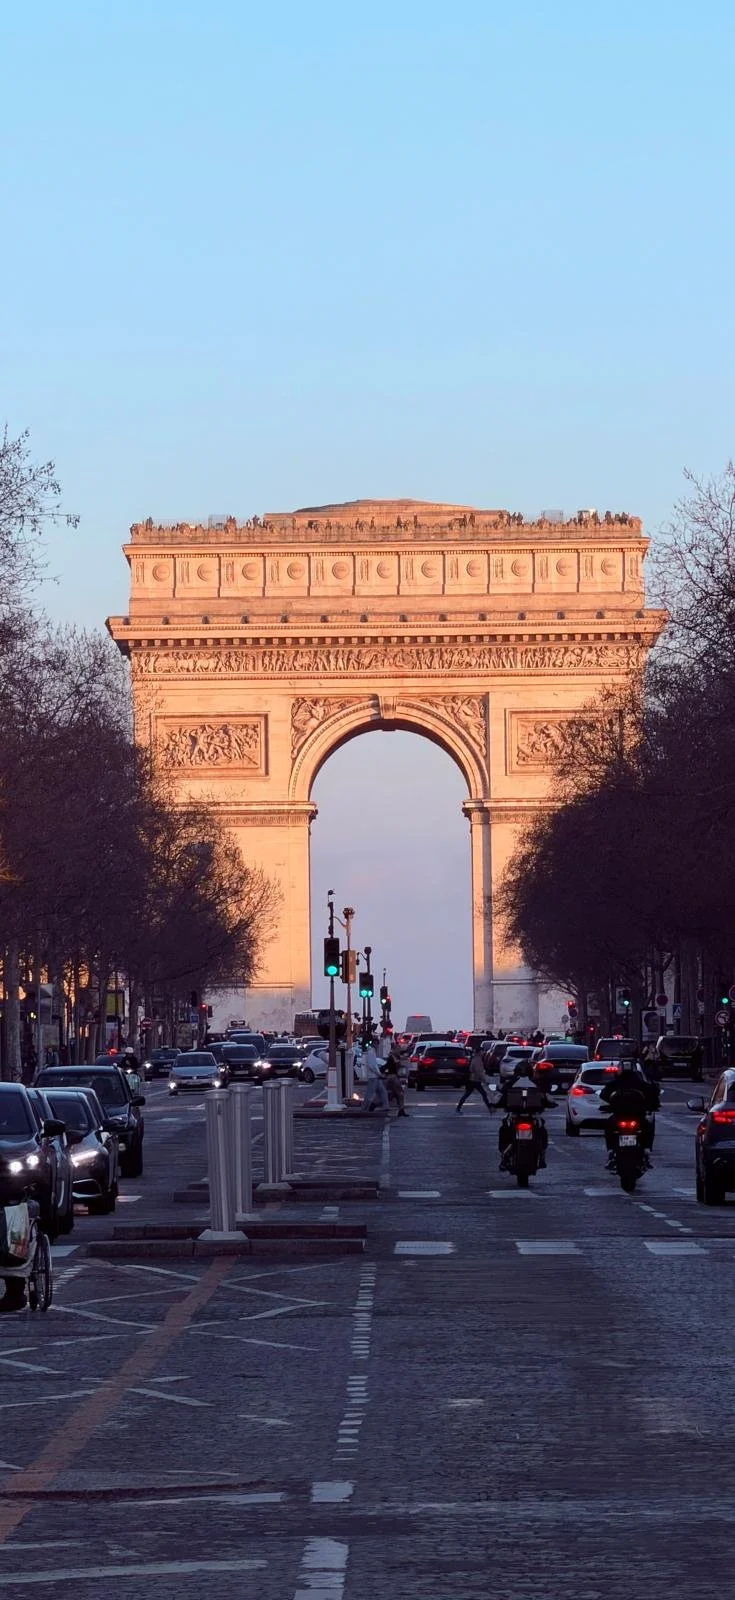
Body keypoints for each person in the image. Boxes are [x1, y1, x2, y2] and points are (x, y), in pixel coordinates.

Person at [493, 1062, 554, 1169]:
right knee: (541, 1130)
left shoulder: (512, 1083)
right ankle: (541, 1155)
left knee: (504, 1129)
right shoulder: (536, 1083)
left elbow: (500, 1096)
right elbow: (547, 1097)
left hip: (525, 1116)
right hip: (523, 1116)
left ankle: (505, 1157)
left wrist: (496, 1103)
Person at [600, 1062, 659, 1168]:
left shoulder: (614, 1083)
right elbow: (654, 1093)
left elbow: (603, 1095)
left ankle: (611, 1151)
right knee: (648, 1127)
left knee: (609, 1126)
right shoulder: (641, 1084)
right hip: (635, 1116)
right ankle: (645, 1150)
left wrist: (609, 1104)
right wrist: (653, 1105)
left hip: (624, 1116)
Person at [456, 1048, 494, 1113]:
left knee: (468, 1094)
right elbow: (478, 1071)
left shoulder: (474, 1058)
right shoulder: (478, 1060)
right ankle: (490, 1108)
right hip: (475, 1080)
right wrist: (483, 1079)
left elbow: (472, 1069)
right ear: (479, 1052)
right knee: (482, 1094)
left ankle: (458, 1108)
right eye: (482, 1051)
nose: (483, 1053)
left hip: (473, 1080)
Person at [362, 1043, 389, 1113]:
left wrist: (379, 1074)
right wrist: (379, 1074)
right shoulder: (371, 1052)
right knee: (370, 1093)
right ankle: (365, 1108)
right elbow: (372, 1066)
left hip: (375, 1076)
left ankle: (386, 1106)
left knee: (383, 1091)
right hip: (373, 1076)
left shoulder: (372, 1052)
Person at [382, 1050, 409, 1116]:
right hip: (393, 1077)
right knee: (400, 1093)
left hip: (391, 1076)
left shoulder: (394, 1058)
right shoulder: (392, 1058)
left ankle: (401, 1110)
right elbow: (389, 1066)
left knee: (395, 1094)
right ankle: (401, 1110)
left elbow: (386, 1066)